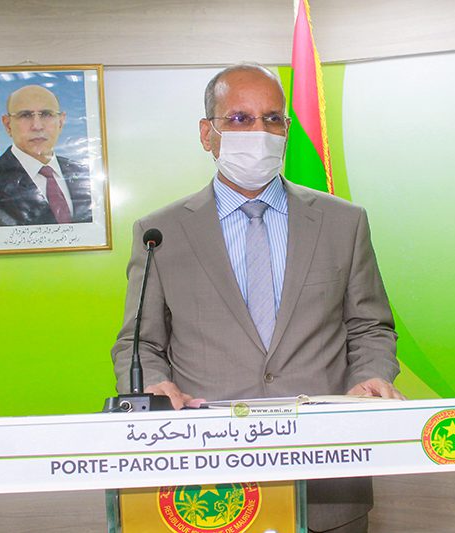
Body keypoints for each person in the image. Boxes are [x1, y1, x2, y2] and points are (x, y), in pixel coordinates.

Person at [111, 64, 403, 533]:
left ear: (286, 130)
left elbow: (369, 326)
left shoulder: (343, 222)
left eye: (272, 119)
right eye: (239, 119)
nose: (259, 132)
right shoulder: (159, 232)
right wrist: (153, 387)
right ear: (207, 134)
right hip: (208, 484)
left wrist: (370, 375)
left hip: (328, 475)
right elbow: (139, 343)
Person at [0, 84, 92, 227]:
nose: (37, 126)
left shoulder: (86, 175)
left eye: (46, 114)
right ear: (8, 125)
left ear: (61, 122)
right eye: (25, 115)